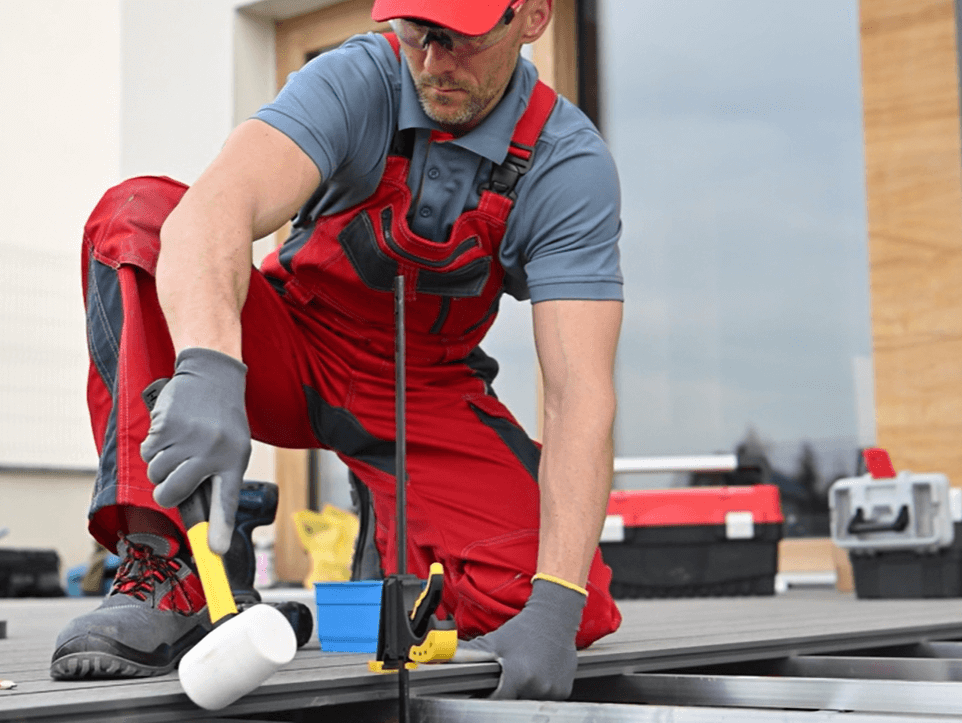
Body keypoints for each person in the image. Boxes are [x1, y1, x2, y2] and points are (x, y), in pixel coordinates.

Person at [52, 0, 624, 700]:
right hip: (289, 351)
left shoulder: (565, 165)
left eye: (460, 38)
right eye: (416, 32)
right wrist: (208, 365)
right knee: (136, 215)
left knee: (567, 598)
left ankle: (396, 552)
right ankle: (175, 565)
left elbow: (578, 395)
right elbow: (215, 206)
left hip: (424, 393)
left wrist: (555, 606)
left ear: (531, 19)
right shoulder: (357, 80)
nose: (432, 61)